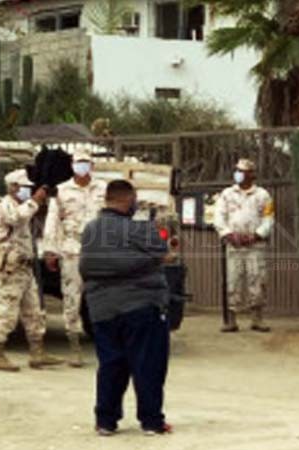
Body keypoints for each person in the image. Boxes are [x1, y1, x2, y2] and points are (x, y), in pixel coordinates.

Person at [80, 179, 172, 436]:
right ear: (128, 200)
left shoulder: (90, 230)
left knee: (110, 365)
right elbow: (164, 255)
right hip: (141, 307)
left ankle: (105, 421)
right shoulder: (141, 229)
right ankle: (152, 422)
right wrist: (144, 262)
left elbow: (88, 268)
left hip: (102, 310)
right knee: (148, 366)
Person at [0, 169, 64, 371]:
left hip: (25, 267)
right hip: (11, 268)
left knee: (34, 311)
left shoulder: (22, 206)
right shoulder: (6, 206)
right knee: (7, 310)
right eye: (24, 187)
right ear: (13, 187)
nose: (28, 191)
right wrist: (34, 201)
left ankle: (37, 352)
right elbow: (16, 219)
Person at [43, 151, 106, 367]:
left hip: (99, 249)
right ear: (72, 165)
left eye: (85, 163)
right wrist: (50, 250)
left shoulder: (103, 189)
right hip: (71, 248)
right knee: (72, 297)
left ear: (92, 165)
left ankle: (106, 342)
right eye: (78, 163)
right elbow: (53, 222)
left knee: (102, 297)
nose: (82, 167)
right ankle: (74, 346)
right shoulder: (61, 191)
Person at [213, 158, 275, 333]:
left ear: (251, 174)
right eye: (236, 170)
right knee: (233, 280)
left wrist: (256, 235)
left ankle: (257, 319)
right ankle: (231, 320)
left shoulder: (263, 195)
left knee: (258, 279)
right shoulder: (226, 194)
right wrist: (228, 234)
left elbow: (268, 219)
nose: (238, 174)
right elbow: (219, 216)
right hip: (234, 245)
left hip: (255, 245)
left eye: (242, 171)